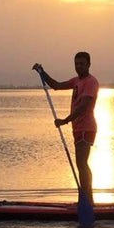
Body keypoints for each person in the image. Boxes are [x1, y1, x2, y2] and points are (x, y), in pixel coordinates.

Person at [33, 52, 99, 205]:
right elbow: (56, 85)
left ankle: (87, 201)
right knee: (81, 164)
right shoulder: (76, 81)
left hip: (86, 127)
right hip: (78, 128)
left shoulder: (91, 82)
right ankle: (86, 200)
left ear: (89, 65)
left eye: (82, 64)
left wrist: (65, 120)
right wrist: (42, 72)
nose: (79, 66)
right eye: (76, 64)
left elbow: (83, 106)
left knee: (82, 163)